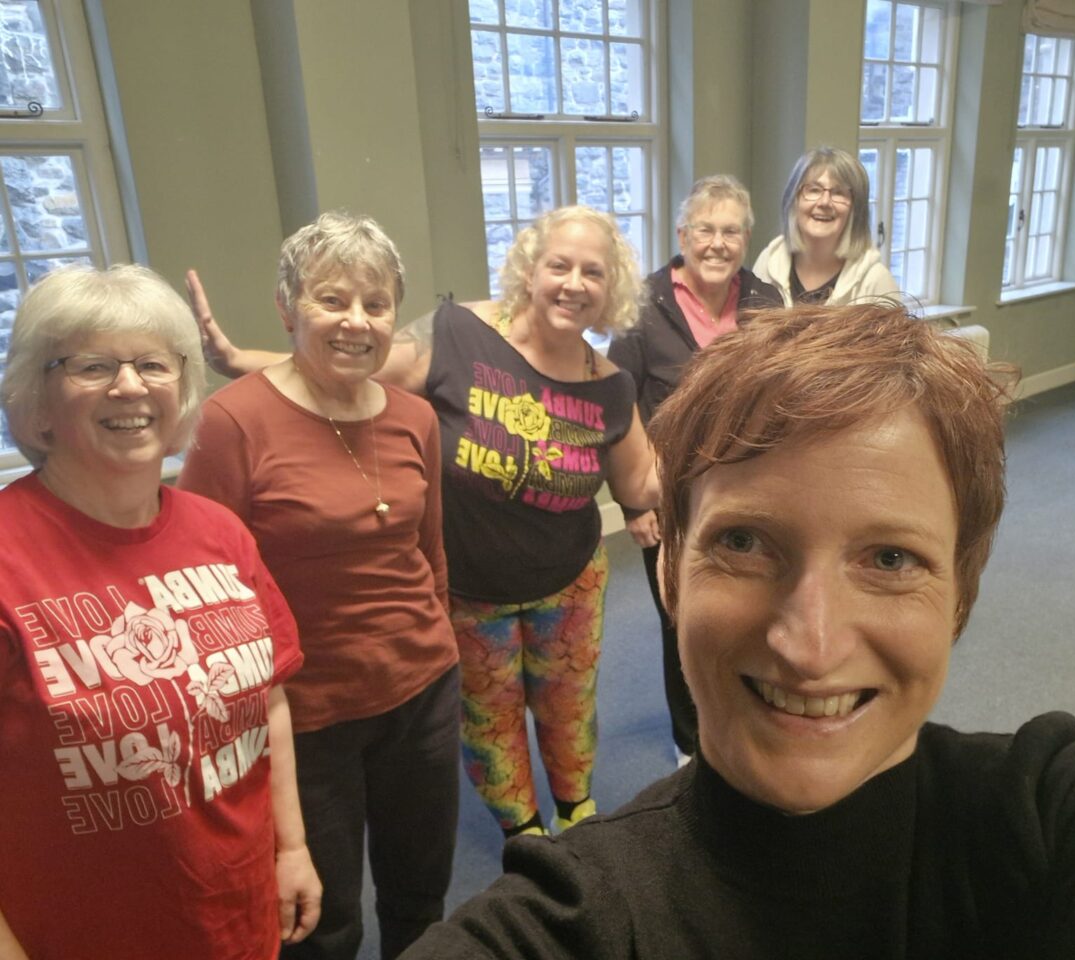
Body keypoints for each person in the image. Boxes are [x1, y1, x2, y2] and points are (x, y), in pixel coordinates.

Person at [399, 302, 1075, 958]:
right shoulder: (570, 918)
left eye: (891, 560)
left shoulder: (1065, 818)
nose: (810, 644)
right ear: (668, 572)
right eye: (743, 543)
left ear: (962, 593)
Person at [189, 205, 658, 842]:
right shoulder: (457, 334)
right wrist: (241, 358)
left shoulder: (610, 385)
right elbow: (346, 367)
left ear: (611, 290)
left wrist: (725, 442)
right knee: (489, 718)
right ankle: (523, 833)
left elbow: (641, 484)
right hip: (471, 587)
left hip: (569, 583)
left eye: (593, 273)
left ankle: (576, 809)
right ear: (530, 269)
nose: (574, 283)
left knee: (569, 707)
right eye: (560, 265)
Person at [0, 264, 319, 960]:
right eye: (92, 366)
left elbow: (268, 705)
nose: (130, 386)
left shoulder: (220, 532)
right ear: (38, 401)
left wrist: (290, 845)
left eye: (152, 363)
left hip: (236, 915)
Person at [178, 213, 458, 960]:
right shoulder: (233, 422)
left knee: (421, 895)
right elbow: (205, 588)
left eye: (376, 303)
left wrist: (439, 644)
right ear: (286, 306)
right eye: (332, 300)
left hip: (422, 691)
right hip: (305, 715)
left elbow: (429, 554)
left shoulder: (416, 418)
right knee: (322, 922)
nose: (356, 322)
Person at [607, 174, 782, 763]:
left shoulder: (765, 302)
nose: (717, 243)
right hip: (671, 497)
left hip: (748, 491)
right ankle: (691, 741)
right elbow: (617, 402)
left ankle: (738, 715)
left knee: (746, 607)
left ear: (746, 239)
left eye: (730, 231)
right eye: (705, 229)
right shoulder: (643, 307)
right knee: (681, 617)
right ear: (683, 234)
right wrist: (634, 503)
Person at [753, 146, 900, 306]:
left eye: (838, 192)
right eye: (814, 190)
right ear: (794, 200)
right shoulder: (768, 262)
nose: (824, 202)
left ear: (856, 209)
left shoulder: (876, 282)